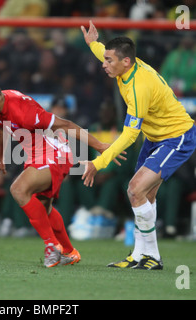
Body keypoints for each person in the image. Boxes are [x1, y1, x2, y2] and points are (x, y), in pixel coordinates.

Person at [0, 74, 125, 267]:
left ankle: (52, 245)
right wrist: (0, 157)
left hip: (56, 152)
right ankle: (69, 252)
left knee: (18, 189)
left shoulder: (24, 111)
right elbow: (0, 126)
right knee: (44, 208)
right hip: (36, 154)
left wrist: (99, 145)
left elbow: (66, 125)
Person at [80, 21, 196, 270]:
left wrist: (98, 162)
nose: (104, 64)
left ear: (126, 63)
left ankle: (151, 256)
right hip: (155, 137)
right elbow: (104, 50)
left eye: (109, 61)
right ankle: (141, 255)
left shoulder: (138, 86)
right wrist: (93, 44)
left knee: (134, 189)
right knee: (143, 194)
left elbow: (130, 135)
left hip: (177, 137)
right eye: (106, 59)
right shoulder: (123, 64)